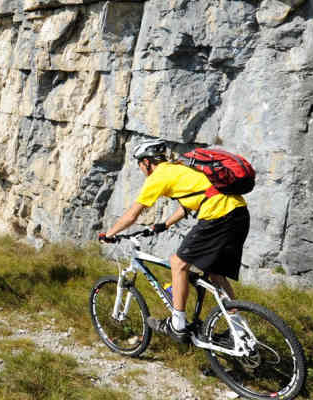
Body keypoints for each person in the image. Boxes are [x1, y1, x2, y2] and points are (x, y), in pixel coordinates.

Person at [99, 139, 250, 344]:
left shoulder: (158, 176)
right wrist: (165, 224)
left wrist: (109, 234)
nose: (141, 169)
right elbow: (194, 199)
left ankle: (177, 325)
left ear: (146, 162)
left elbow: (132, 215)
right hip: (239, 213)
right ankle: (239, 332)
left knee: (178, 263)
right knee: (217, 275)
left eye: (140, 164)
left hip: (217, 215)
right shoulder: (179, 168)